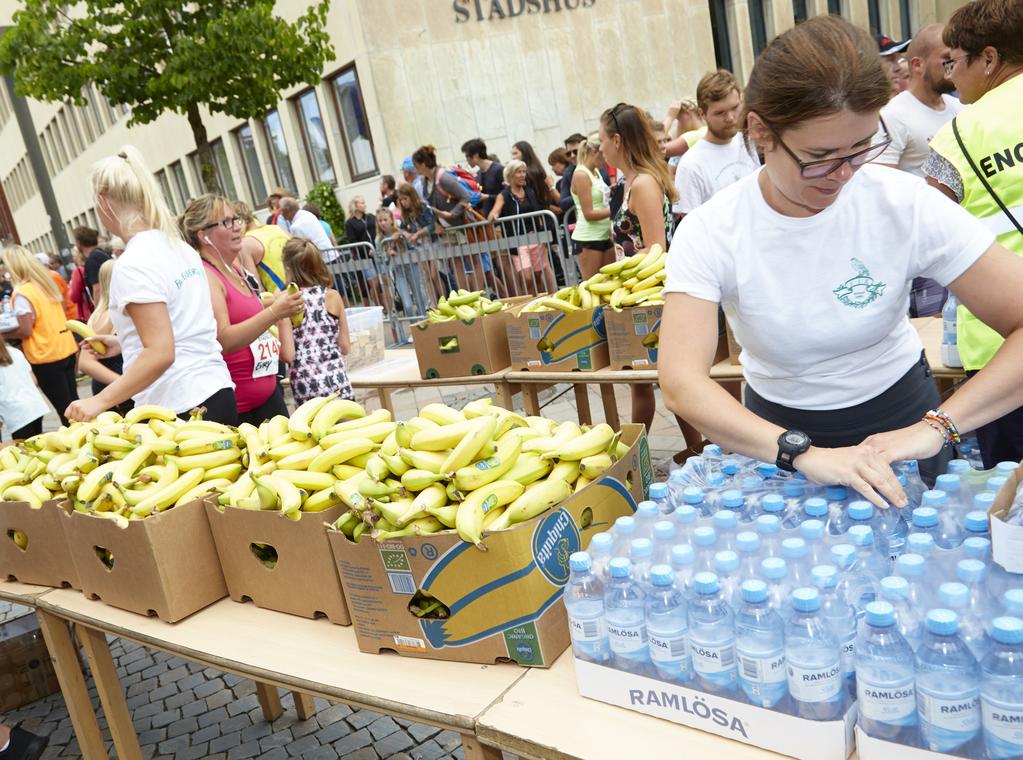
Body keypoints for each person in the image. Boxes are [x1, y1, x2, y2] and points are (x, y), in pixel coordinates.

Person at [660, 15, 1023, 504]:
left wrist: (939, 424)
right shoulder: (712, 229)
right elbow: (682, 381)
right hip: (775, 439)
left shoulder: (902, 202)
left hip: (903, 425)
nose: (843, 174)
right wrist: (801, 453)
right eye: (820, 157)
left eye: (860, 148)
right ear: (762, 131)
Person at [64, 146, 235, 424]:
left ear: (103, 202)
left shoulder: (132, 263)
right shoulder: (180, 249)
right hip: (215, 391)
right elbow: (181, 327)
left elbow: (161, 352)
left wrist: (100, 400)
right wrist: (124, 342)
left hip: (178, 406)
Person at [924, 0, 1023, 468]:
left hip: (1003, 346)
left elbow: (920, 232)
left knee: (1014, 494)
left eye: (954, 62)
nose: (950, 77)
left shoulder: (959, 136)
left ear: (988, 59)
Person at [600, 102, 706, 455]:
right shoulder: (633, 180)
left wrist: (620, 269)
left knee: (647, 382)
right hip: (636, 293)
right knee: (648, 380)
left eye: (602, 139)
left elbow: (657, 247)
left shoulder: (643, 183)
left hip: (650, 295)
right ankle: (692, 450)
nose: (599, 147)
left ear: (616, 140)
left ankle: (636, 456)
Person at [180, 194, 300, 425]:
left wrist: (276, 301)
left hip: (268, 394)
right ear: (203, 235)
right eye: (226, 222)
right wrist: (275, 312)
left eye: (236, 220)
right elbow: (224, 338)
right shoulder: (207, 276)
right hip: (239, 409)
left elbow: (246, 309)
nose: (237, 227)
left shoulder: (235, 267)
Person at [0, 246, 78, 426]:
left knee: (65, 410)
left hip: (45, 355)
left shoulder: (22, 293)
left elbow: (26, 330)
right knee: (74, 403)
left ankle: (78, 445)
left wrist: (4, 333)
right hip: (66, 347)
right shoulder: (46, 283)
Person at [673, 70, 761, 220]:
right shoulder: (690, 165)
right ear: (702, 114)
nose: (730, 118)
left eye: (735, 108)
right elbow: (691, 228)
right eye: (720, 113)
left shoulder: (749, 141)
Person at [878, 24, 964, 176]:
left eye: (957, 59)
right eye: (947, 58)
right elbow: (882, 184)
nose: (954, 66)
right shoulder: (892, 116)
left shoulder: (961, 108)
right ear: (918, 65)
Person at [280, 237, 354, 405]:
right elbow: (345, 346)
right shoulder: (332, 296)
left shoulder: (288, 301)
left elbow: (288, 354)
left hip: (305, 383)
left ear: (288, 268)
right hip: (336, 380)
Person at [489, 160, 556, 295]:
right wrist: (494, 215)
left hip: (536, 238)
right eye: (519, 172)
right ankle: (533, 302)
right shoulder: (504, 195)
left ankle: (543, 302)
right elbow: (494, 212)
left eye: (524, 172)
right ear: (511, 175)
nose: (522, 175)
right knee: (527, 277)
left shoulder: (530, 191)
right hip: (518, 242)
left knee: (537, 275)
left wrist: (542, 232)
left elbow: (538, 213)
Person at [75, 259, 130, 415]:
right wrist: (124, 384)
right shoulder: (106, 316)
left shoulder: (116, 310)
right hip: (116, 392)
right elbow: (85, 363)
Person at [569, 132, 613, 279]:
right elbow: (589, 214)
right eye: (603, 153)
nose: (606, 158)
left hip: (604, 234)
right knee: (593, 286)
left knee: (610, 282)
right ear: (594, 152)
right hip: (588, 238)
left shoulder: (596, 172)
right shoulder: (581, 174)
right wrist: (614, 210)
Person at [396, 184, 443, 304]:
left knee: (434, 275)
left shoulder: (422, 208)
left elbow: (432, 225)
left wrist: (418, 234)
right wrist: (405, 233)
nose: (403, 202)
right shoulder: (405, 215)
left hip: (431, 244)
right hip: (419, 247)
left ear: (412, 196)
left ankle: (444, 300)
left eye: (405, 199)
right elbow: (401, 228)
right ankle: (433, 303)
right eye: (401, 200)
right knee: (426, 276)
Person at [345, 195, 391, 311]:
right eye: (361, 203)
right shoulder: (350, 223)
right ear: (355, 206)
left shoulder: (371, 217)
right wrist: (366, 250)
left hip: (377, 253)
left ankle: (387, 306)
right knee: (374, 283)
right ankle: (380, 308)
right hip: (364, 257)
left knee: (383, 282)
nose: (364, 205)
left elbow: (379, 230)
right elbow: (353, 241)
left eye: (364, 202)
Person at [0, 333, 50, 439]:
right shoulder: (15, 352)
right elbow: (34, 380)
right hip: (36, 406)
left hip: (16, 414)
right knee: (37, 444)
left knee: (24, 451)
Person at [236, 199, 291, 293]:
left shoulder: (245, 244)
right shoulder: (276, 228)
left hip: (284, 296)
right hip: (306, 288)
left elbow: (257, 289)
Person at [511, 141, 559, 213]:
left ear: (524, 153)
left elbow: (537, 196)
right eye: (512, 154)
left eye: (515, 153)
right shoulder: (534, 169)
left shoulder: (531, 172)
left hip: (539, 212)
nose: (513, 157)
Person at [462, 138, 505, 217]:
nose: (467, 160)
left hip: (504, 218)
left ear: (476, 156)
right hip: (489, 221)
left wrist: (487, 197)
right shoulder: (478, 175)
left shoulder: (499, 169)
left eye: (467, 156)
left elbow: (509, 194)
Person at [73, 225, 112, 308]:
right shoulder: (101, 253)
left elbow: (97, 289)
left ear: (79, 243)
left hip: (107, 306)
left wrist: (99, 312)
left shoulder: (92, 260)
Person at [66, 248, 91, 320]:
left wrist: (70, 288)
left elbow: (74, 297)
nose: (73, 259)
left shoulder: (78, 271)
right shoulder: (91, 265)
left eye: (73, 256)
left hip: (87, 309)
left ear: (78, 256)